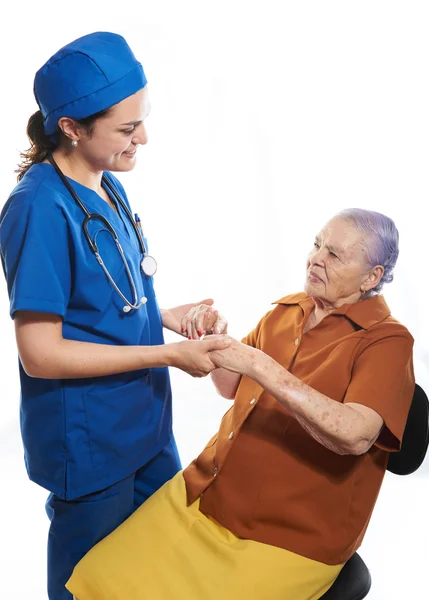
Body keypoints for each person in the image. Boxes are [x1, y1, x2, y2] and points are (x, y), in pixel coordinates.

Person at [66, 208, 414, 600]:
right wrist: (213, 337)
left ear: (372, 276)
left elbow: (356, 435)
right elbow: (230, 384)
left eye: (335, 255)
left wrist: (260, 365)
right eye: (317, 244)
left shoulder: (387, 342)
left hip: (288, 534)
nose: (316, 258)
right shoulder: (289, 311)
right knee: (97, 580)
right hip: (204, 491)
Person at [0, 31, 231, 600]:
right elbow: (41, 353)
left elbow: (108, 300)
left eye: (141, 120)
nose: (144, 139)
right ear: (72, 128)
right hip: (90, 442)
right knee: (91, 585)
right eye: (127, 129)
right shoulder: (38, 209)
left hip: (147, 426)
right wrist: (169, 354)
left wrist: (172, 317)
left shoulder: (103, 181)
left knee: (157, 569)